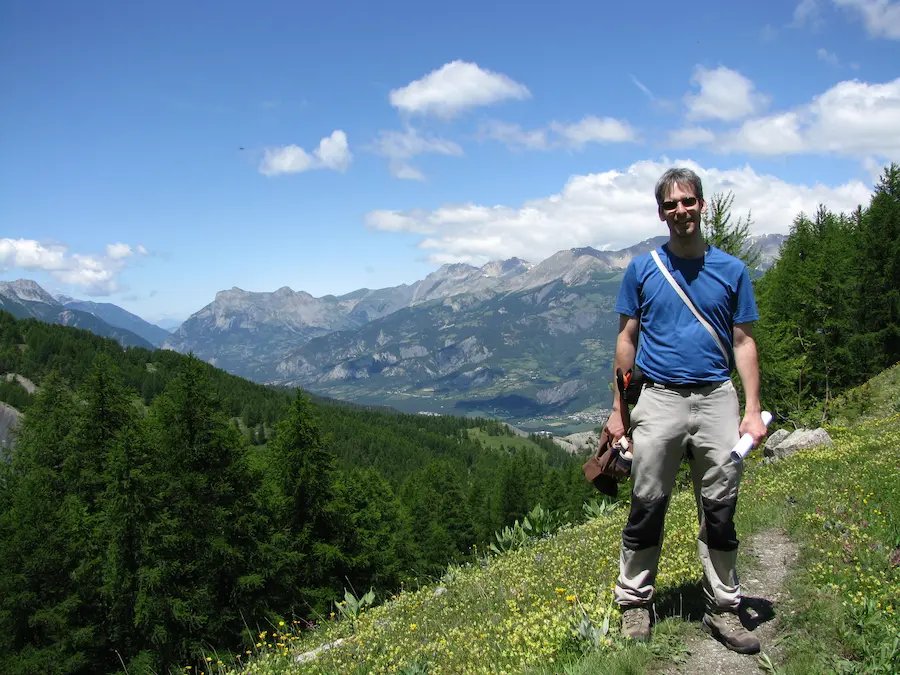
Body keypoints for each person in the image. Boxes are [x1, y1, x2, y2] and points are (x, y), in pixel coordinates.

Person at [606, 167, 768, 654]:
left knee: (720, 507)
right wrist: (618, 410)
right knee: (647, 501)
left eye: (688, 201)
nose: (681, 211)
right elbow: (626, 339)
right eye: (671, 204)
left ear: (702, 205)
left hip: (718, 396)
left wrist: (752, 409)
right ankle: (635, 603)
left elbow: (744, 341)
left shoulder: (732, 271)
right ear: (662, 212)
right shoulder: (642, 269)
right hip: (658, 398)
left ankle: (723, 606)